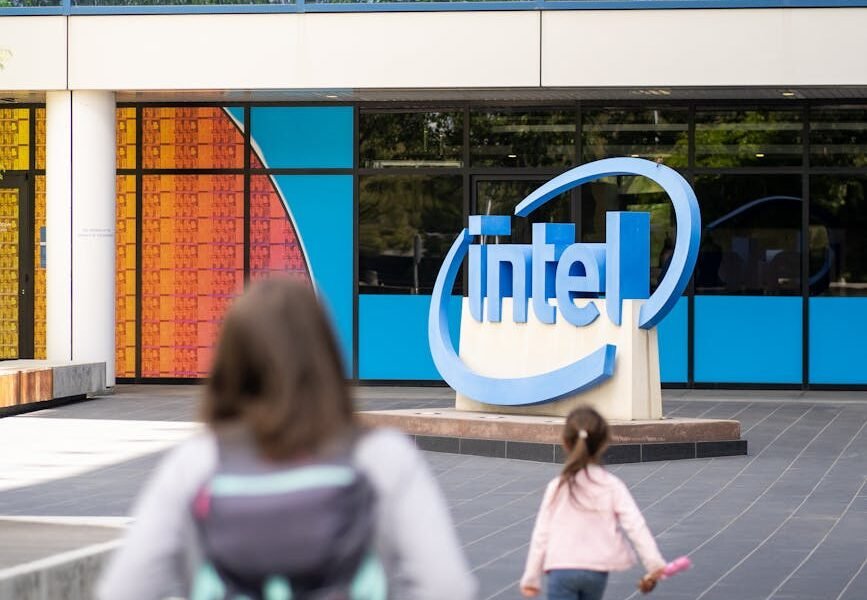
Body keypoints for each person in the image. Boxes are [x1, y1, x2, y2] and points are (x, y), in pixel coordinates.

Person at [98, 277, 477, 600]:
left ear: (230, 360)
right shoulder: (383, 457)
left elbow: (124, 589)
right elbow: (448, 587)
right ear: (325, 355)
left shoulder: (197, 463)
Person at [519, 407, 666, 600]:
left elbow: (541, 534)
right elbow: (635, 525)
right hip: (596, 571)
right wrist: (654, 563)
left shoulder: (558, 486)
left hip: (561, 569)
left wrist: (531, 578)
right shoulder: (612, 485)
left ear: (565, 443)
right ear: (603, 444)